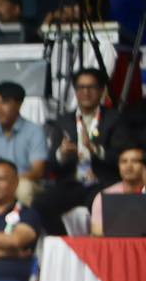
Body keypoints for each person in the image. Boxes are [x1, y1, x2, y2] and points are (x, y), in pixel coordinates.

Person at [40, 69, 130, 234]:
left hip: (102, 182)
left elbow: (121, 158)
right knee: (41, 203)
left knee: (101, 205)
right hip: (71, 183)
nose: (86, 92)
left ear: (102, 90)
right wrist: (62, 154)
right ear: (75, 91)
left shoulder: (115, 119)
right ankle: (66, 243)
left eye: (91, 87)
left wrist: (95, 149)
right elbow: (51, 164)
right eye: (81, 87)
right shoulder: (63, 121)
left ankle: (100, 247)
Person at [0, 81, 47, 204]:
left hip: (23, 181)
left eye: (4, 102)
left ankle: (23, 218)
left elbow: (38, 171)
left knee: (24, 189)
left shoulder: (34, 131)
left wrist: (9, 181)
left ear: (19, 104)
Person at [90, 146, 146, 235]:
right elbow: (97, 233)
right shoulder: (104, 197)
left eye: (135, 161)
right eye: (124, 161)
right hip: (115, 243)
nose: (129, 166)